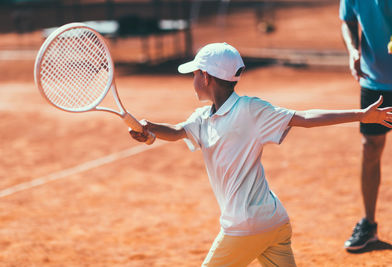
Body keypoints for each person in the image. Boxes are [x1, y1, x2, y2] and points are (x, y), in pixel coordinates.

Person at [129, 42, 392, 266]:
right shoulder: (203, 118)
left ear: (206, 77)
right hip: (274, 223)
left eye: (195, 73)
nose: (193, 80)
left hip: (245, 228)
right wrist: (149, 129)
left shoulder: (250, 110)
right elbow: (175, 131)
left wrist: (361, 115)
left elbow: (306, 117)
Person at [340, 0, 392, 251]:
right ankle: (369, 226)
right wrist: (353, 51)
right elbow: (347, 21)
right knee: (370, 147)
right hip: (374, 81)